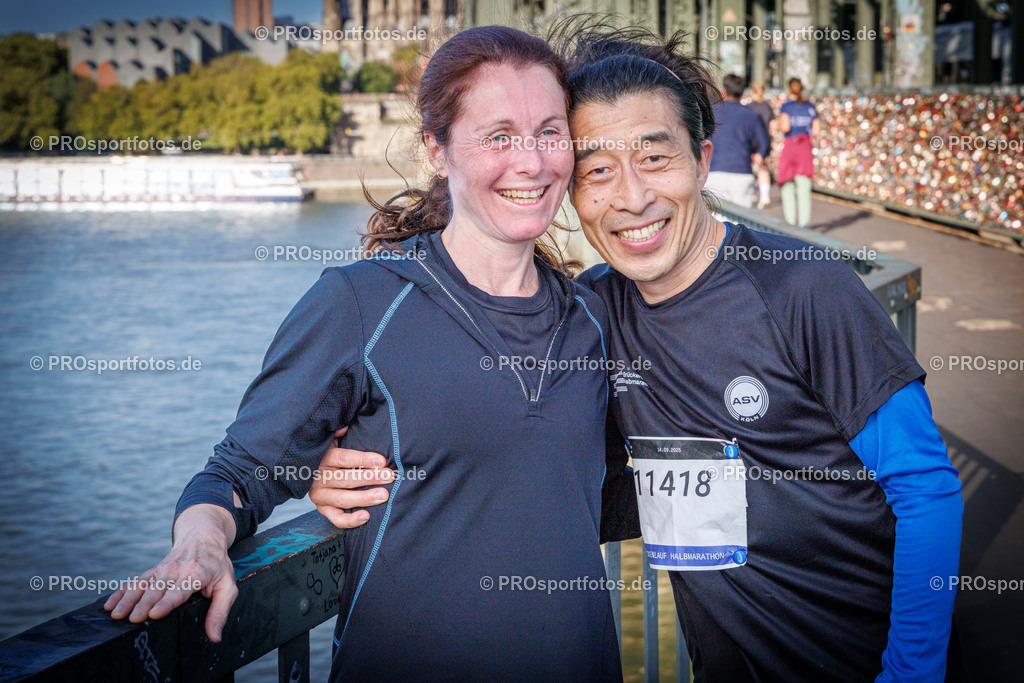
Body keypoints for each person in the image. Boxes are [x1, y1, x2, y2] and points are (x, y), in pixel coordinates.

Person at [323, 24, 965, 682]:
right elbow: (514, 446)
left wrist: (911, 670)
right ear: (570, 189)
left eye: (655, 159)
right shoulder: (589, 316)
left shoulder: (804, 288)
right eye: (598, 170)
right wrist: (357, 463)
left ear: (704, 161)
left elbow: (927, 488)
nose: (631, 197)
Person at [104, 26, 626, 680]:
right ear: (437, 150)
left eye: (550, 133)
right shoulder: (361, 304)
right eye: (498, 136)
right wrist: (201, 543)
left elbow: (603, 481)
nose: (531, 161)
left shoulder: (593, 318)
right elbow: (239, 472)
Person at [704, 74, 769, 209]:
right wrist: (760, 156)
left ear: (723, 91)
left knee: (717, 223)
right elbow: (764, 143)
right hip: (742, 173)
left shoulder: (711, 112)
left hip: (715, 172)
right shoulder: (752, 115)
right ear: (742, 92)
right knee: (742, 223)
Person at [778, 77, 820, 228]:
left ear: (789, 89)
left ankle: (790, 220)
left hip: (790, 145)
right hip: (805, 147)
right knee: (804, 184)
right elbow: (816, 131)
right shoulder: (810, 107)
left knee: (787, 182)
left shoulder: (786, 107)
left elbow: (785, 128)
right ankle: (804, 222)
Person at [746, 82, 775, 209]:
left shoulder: (748, 107)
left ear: (752, 91)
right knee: (763, 168)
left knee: (749, 168)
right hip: (764, 140)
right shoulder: (767, 107)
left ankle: (751, 193)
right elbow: (773, 126)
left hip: (750, 140)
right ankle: (765, 197)